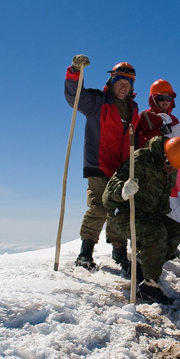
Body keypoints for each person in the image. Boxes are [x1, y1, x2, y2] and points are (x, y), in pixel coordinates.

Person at [65, 55, 140, 275]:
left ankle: (119, 252)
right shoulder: (97, 102)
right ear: (112, 82)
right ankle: (85, 254)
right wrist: (74, 71)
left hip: (122, 169)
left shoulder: (134, 109)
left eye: (128, 83)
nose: (123, 87)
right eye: (120, 82)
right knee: (98, 207)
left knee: (120, 210)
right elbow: (74, 96)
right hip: (98, 164)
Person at [102, 136, 180, 305]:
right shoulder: (141, 159)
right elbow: (107, 197)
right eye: (171, 165)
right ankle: (148, 287)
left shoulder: (171, 167)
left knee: (176, 231)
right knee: (156, 233)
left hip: (149, 215)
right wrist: (123, 190)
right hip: (123, 214)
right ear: (164, 157)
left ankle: (144, 266)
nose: (173, 170)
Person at [137, 79, 180, 150]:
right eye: (161, 98)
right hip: (147, 156)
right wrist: (159, 133)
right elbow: (134, 136)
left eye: (168, 98)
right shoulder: (145, 116)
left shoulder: (174, 120)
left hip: (168, 156)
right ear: (154, 99)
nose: (165, 101)